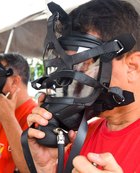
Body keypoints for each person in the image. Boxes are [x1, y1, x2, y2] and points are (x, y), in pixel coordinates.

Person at [26, 0, 140, 172]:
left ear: (133, 67)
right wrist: (47, 168)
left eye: (83, 66)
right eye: (65, 69)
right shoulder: (81, 135)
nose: (66, 82)